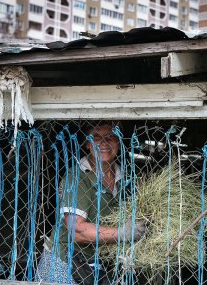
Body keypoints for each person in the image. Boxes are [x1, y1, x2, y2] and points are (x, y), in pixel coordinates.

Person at [36, 121, 147, 285]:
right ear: (87, 144)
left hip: (94, 265)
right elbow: (77, 231)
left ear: (119, 142)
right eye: (96, 137)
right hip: (64, 263)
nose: (104, 142)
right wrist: (123, 233)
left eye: (111, 136)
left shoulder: (125, 179)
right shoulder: (78, 177)